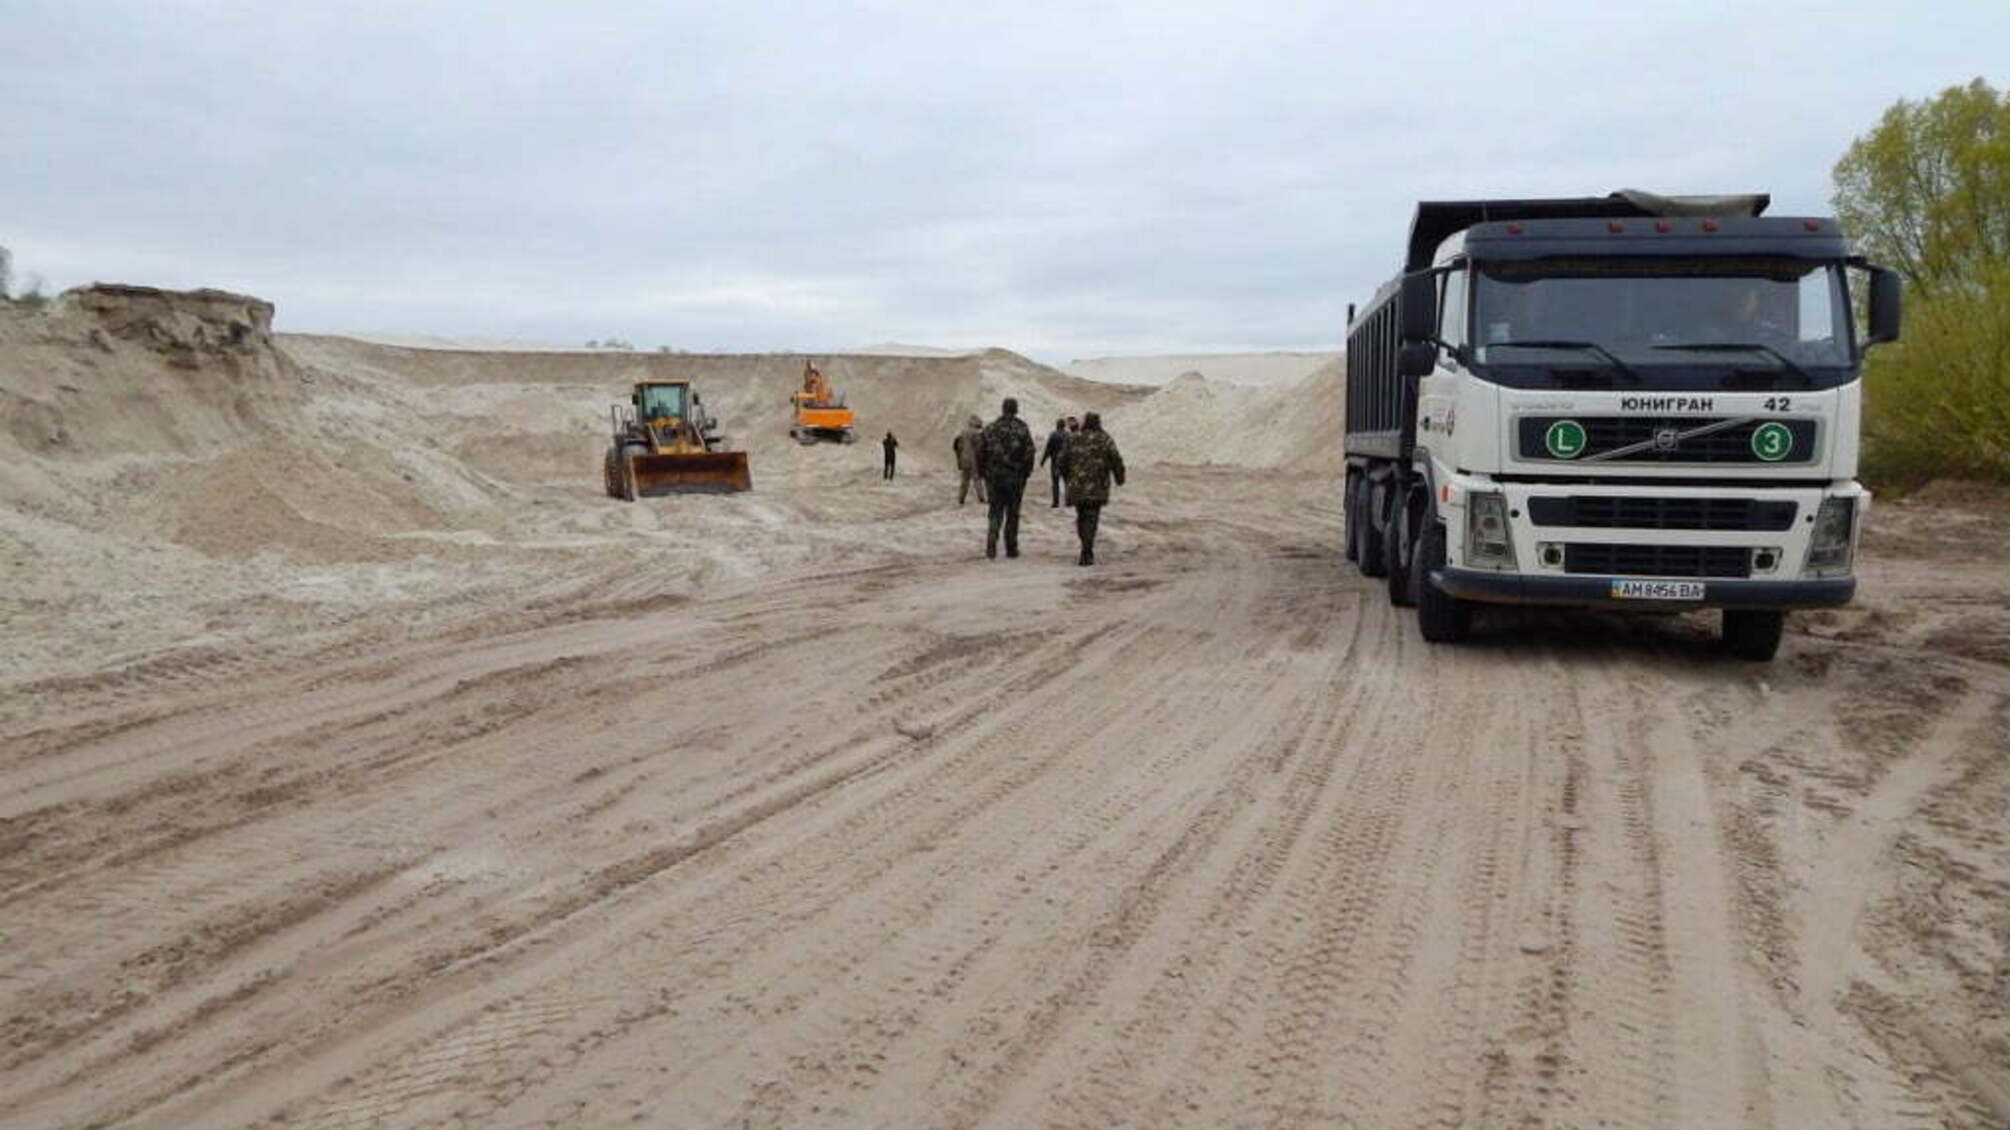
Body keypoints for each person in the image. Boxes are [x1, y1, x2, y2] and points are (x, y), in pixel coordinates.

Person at [976, 397, 1036, 559]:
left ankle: (991, 543)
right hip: (1015, 479)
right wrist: (1025, 473)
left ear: (1003, 409)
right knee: (1013, 513)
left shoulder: (990, 428)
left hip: (994, 478)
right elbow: (1030, 453)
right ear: (1016, 409)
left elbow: (980, 453)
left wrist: (983, 473)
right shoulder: (1022, 428)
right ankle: (1011, 548)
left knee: (995, 511)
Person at [1064, 412, 1125, 566]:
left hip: (1077, 486)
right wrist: (1119, 478)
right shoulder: (1105, 439)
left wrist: (1068, 477)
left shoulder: (1073, 438)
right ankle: (1087, 550)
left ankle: (1085, 547)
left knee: (1081, 516)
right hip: (1097, 486)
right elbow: (1116, 459)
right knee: (1092, 517)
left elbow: (1061, 461)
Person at [952, 415, 987, 505]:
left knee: (964, 479)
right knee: (977, 479)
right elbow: (979, 447)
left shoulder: (962, 432)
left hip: (964, 459)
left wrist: (959, 460)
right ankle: (981, 497)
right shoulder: (976, 433)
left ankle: (961, 498)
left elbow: (957, 446)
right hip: (973, 459)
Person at [1039, 416, 1070, 508]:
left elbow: (1048, 449)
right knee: (1067, 482)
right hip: (1066, 463)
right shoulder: (1068, 435)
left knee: (1055, 483)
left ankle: (1055, 502)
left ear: (1057, 425)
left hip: (1055, 462)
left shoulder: (1053, 435)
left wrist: (1043, 461)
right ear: (1064, 426)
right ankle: (1068, 501)